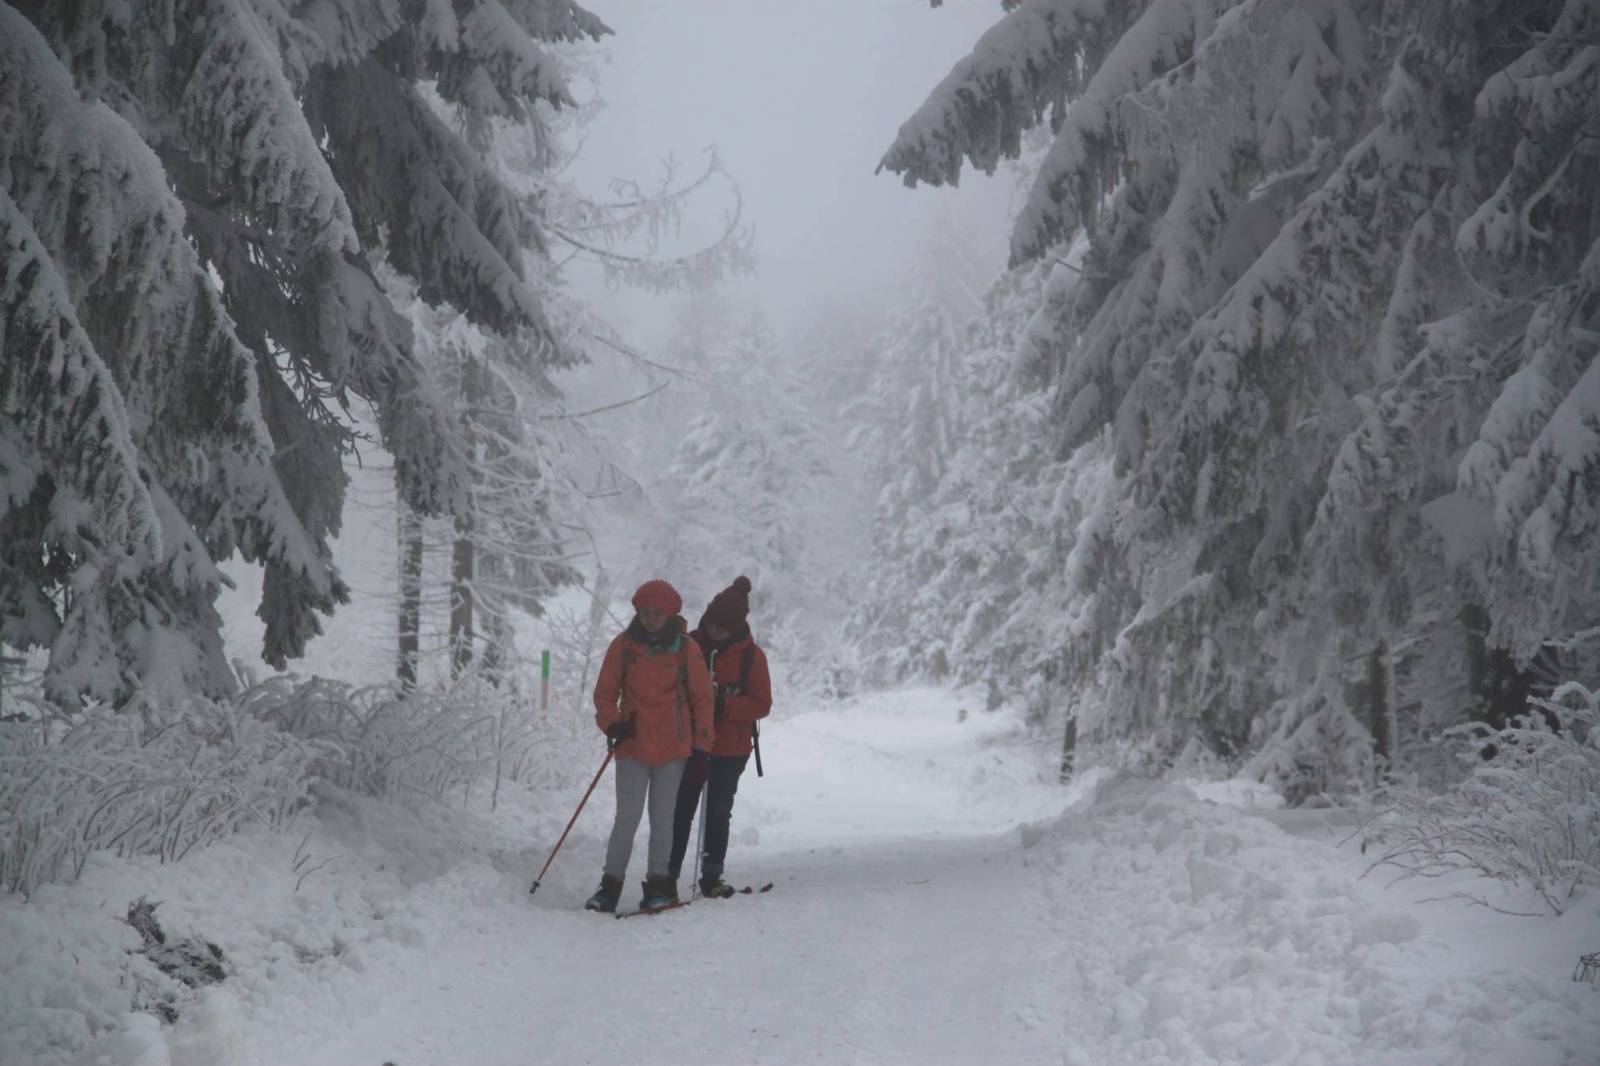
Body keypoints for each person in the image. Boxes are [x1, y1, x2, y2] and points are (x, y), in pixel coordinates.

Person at [587, 579, 715, 913]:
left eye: (657, 613)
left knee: (663, 818)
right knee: (626, 817)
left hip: (674, 747)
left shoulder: (686, 648)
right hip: (633, 743)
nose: (650, 619)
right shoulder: (624, 646)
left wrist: (702, 746)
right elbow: (604, 694)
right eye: (645, 612)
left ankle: (658, 884)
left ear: (669, 614)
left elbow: (703, 698)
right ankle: (609, 886)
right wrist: (612, 723)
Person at [668, 575, 772, 898]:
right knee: (680, 810)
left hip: (730, 749)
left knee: (717, 811)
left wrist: (725, 705)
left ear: (736, 628)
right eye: (712, 624)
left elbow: (762, 704)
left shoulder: (752, 657)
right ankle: (667, 876)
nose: (714, 632)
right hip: (688, 744)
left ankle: (712, 876)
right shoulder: (687, 646)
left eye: (722, 629)